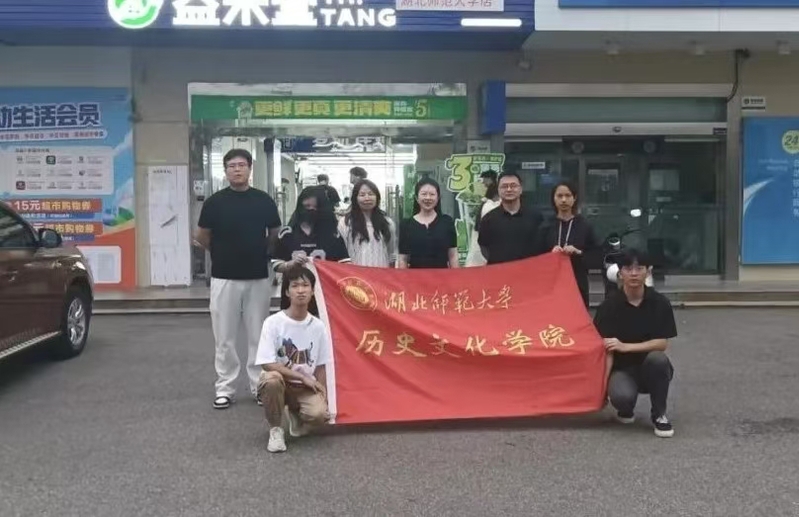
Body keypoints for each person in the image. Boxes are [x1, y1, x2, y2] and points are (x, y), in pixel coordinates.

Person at [195, 149, 282, 410]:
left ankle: (259, 386)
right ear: (225, 170)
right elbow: (202, 236)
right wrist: (221, 252)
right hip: (224, 276)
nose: (237, 169)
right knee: (224, 337)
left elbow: (274, 233)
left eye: (241, 165)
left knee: (258, 336)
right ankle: (225, 388)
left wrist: (262, 253)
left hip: (257, 276)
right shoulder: (215, 202)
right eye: (232, 165)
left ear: (249, 168)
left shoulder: (263, 200)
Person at [593, 248, 677, 438]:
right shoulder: (609, 306)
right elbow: (606, 350)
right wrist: (601, 388)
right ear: (620, 273)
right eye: (628, 268)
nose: (633, 273)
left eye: (639, 268)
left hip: (650, 367)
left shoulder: (659, 303)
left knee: (658, 359)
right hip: (622, 369)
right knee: (621, 396)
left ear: (648, 271)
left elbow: (661, 344)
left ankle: (659, 415)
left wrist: (626, 346)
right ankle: (626, 408)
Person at [255, 266, 331, 453]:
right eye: (295, 286)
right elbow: (267, 363)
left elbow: (321, 365)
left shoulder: (318, 326)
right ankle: (275, 430)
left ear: (312, 291)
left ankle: (297, 414)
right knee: (271, 380)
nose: (301, 290)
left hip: (304, 388)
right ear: (287, 292)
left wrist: (324, 397)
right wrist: (302, 377)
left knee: (319, 415)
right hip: (281, 381)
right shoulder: (273, 323)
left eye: (305, 285)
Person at [273, 187, 349, 314]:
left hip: (324, 294)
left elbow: (344, 263)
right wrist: (291, 264)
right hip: (294, 293)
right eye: (307, 206)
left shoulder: (332, 235)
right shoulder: (287, 234)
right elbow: (276, 264)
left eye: (315, 207)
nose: (310, 210)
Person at [539, 181, 599, 308]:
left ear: (574, 198)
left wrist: (578, 252)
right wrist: (550, 254)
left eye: (568, 195)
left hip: (578, 283)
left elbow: (596, 255)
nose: (564, 200)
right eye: (559, 196)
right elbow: (536, 256)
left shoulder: (584, 226)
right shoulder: (546, 226)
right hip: (551, 284)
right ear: (553, 199)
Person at [478, 171, 543, 265]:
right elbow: (484, 247)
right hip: (499, 270)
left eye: (513, 186)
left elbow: (542, 246)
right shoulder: (488, 219)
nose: (509, 189)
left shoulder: (535, 217)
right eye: (504, 186)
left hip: (529, 269)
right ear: (498, 190)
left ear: (521, 189)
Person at [398, 178, 459, 269]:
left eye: (432, 194)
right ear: (416, 198)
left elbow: (453, 255)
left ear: (438, 198)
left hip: (443, 276)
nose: (428, 198)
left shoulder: (447, 222)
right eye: (424, 194)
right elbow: (403, 259)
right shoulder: (406, 225)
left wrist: (456, 276)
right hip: (416, 276)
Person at [338, 179, 397, 267]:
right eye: (362, 195)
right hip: (355, 274)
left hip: (381, 273)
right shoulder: (345, 223)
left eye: (371, 194)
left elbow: (391, 252)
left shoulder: (387, 222)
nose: (367, 198)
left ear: (377, 197)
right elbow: (342, 253)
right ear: (355, 198)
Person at [465, 169, 500, 267]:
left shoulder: (494, 193)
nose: (483, 183)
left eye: (485, 180)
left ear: (490, 179)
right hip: (479, 228)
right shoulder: (487, 195)